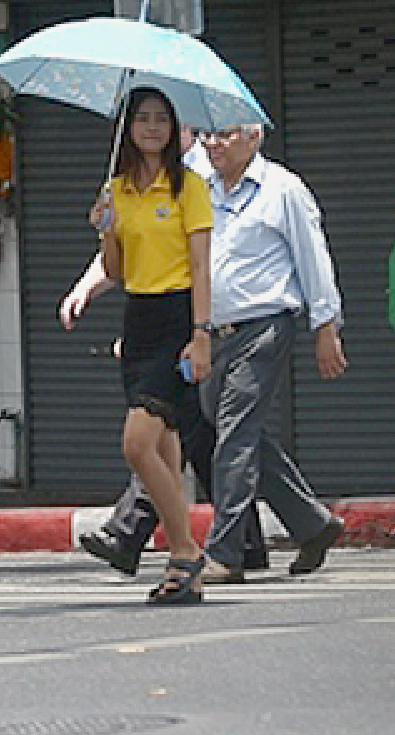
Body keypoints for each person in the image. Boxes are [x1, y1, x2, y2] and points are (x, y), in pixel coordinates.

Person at [66, 138, 267, 578]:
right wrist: (106, 228)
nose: (152, 129)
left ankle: (184, 548)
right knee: (169, 448)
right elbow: (116, 269)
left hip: (178, 319)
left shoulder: (189, 186)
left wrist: (201, 333)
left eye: (162, 119)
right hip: (138, 320)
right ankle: (183, 556)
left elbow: (200, 267)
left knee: (137, 444)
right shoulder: (118, 189)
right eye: (143, 119)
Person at [191, 125, 349, 583]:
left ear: (253, 136)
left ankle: (226, 552)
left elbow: (313, 258)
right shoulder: (199, 190)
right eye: (207, 135)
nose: (213, 144)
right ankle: (312, 524)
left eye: (224, 134)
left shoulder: (283, 189)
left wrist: (326, 325)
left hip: (264, 328)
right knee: (234, 431)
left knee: (234, 437)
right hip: (214, 332)